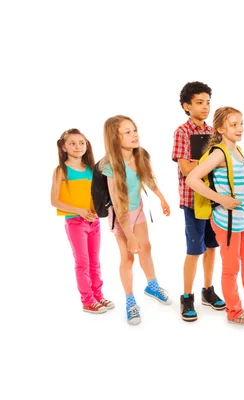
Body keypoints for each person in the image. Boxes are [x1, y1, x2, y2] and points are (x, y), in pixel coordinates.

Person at [186, 106, 244, 326]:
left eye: (241, 123)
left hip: (240, 219)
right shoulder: (219, 152)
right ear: (219, 128)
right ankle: (234, 311)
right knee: (231, 268)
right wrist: (221, 199)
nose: (240, 128)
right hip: (225, 221)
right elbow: (192, 179)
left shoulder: (237, 150)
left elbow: (234, 181)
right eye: (233, 125)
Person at [101, 115, 172, 325]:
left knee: (146, 248)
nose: (134, 135)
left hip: (138, 209)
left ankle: (152, 285)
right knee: (128, 258)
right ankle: (130, 301)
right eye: (128, 132)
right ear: (115, 138)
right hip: (121, 215)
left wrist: (162, 198)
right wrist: (130, 236)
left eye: (135, 130)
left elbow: (147, 178)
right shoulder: (111, 165)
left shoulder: (140, 155)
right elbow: (118, 203)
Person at [172, 81, 225, 322]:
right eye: (199, 103)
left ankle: (208, 289)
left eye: (207, 102)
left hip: (214, 199)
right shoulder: (182, 132)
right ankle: (187, 296)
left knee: (213, 247)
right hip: (193, 200)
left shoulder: (214, 131)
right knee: (195, 249)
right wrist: (208, 165)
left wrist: (206, 165)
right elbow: (185, 168)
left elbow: (223, 163)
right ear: (186, 106)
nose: (205, 107)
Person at [51, 128, 113, 314]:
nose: (77, 146)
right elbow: (54, 200)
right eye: (72, 143)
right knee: (82, 262)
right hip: (75, 222)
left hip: (93, 222)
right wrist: (79, 211)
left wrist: (96, 210)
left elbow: (96, 195)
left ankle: (98, 296)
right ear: (63, 147)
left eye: (81, 143)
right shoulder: (61, 171)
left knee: (95, 261)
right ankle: (87, 300)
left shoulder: (91, 169)